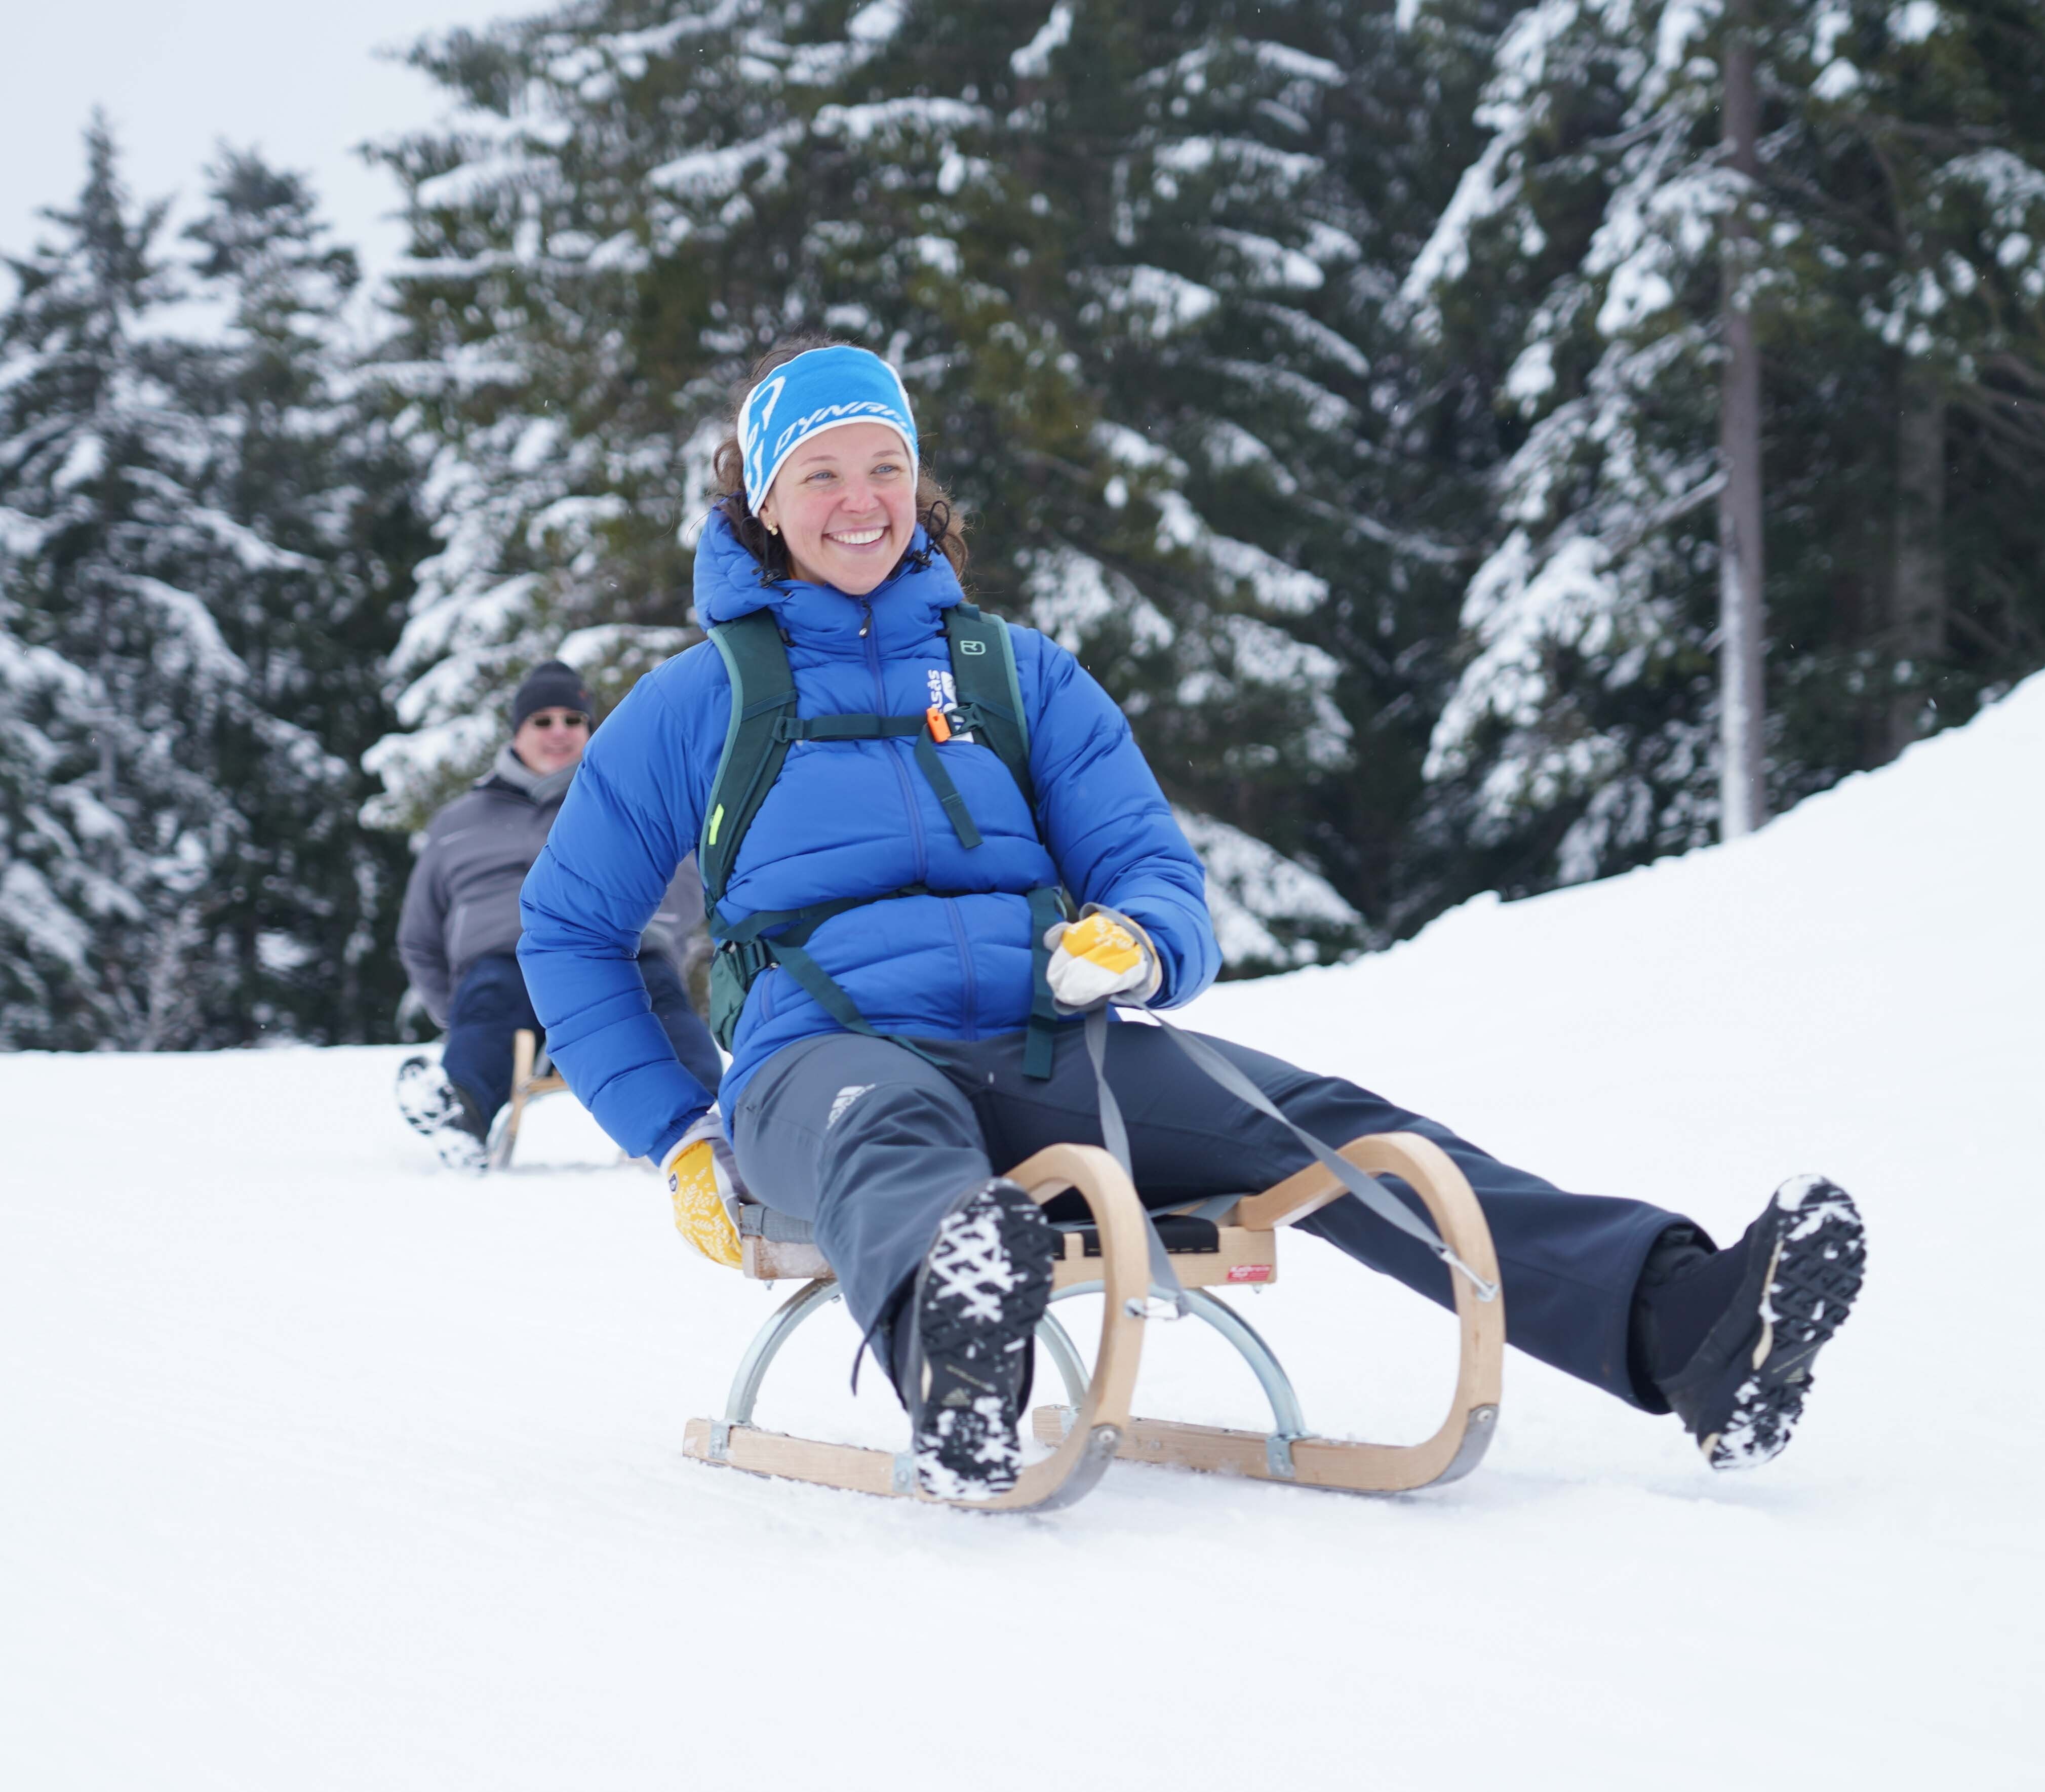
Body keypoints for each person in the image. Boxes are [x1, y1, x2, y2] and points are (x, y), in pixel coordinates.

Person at [518, 339, 1866, 1501]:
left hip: (1040, 1040)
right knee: (891, 1128)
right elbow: (569, 928)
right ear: (765, 505)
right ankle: (962, 1358)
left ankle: (1686, 1324)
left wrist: (1141, 940)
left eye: (882, 466)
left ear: (916, 486)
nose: (858, 500)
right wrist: (680, 1129)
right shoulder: (699, 700)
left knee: (1322, 1128)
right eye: (819, 473)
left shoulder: (1012, 672)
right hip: (826, 1057)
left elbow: (1148, 862)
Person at [396, 659, 723, 1171]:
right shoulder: (458, 821)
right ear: (517, 731)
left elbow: (684, 887)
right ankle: (462, 1114)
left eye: (573, 720)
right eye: (542, 721)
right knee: (488, 1006)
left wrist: (636, 926)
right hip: (501, 960)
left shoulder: (627, 800)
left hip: (618, 947)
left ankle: (704, 1120)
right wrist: (453, 1009)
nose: (559, 733)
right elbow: (419, 934)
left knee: (659, 1006)